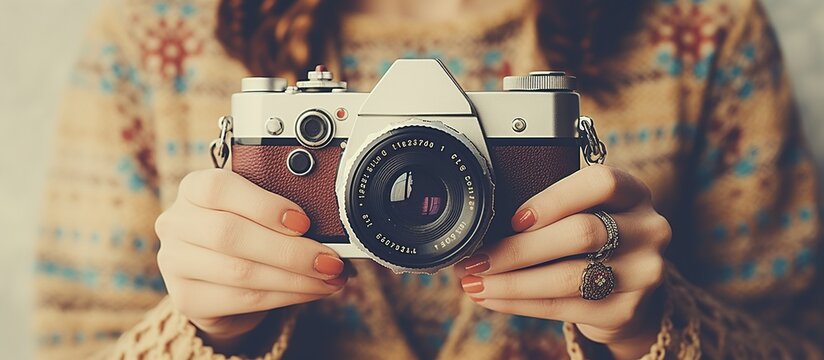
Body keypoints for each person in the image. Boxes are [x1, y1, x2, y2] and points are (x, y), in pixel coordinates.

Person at [35, 0, 823, 358]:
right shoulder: (154, 34)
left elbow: (801, 339)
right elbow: (71, 343)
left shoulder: (704, 28)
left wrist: (656, 329)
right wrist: (206, 334)